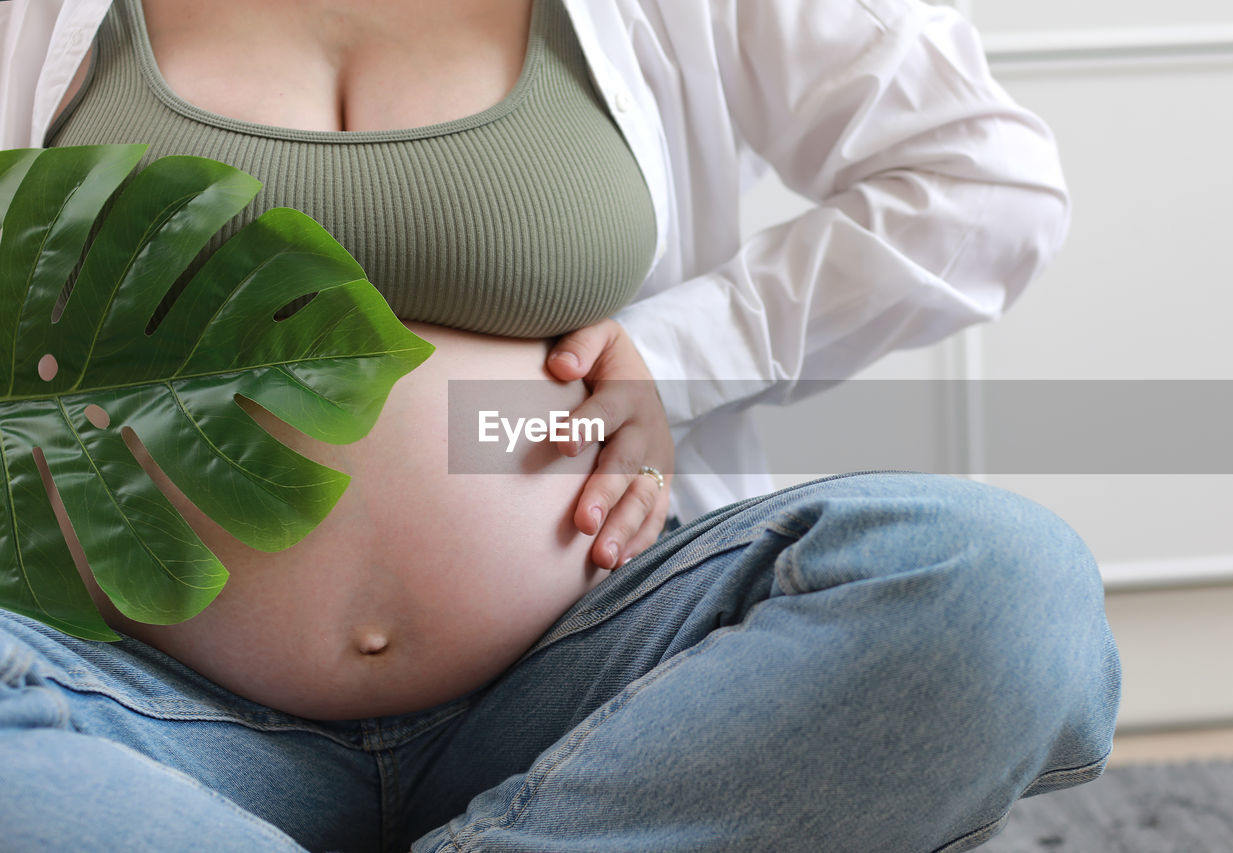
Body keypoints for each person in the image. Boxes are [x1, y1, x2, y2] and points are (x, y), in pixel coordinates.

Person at [0, 1, 1120, 851]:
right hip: (148, 709)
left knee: (1001, 585)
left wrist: (676, 361)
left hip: (600, 694)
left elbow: (985, 181)